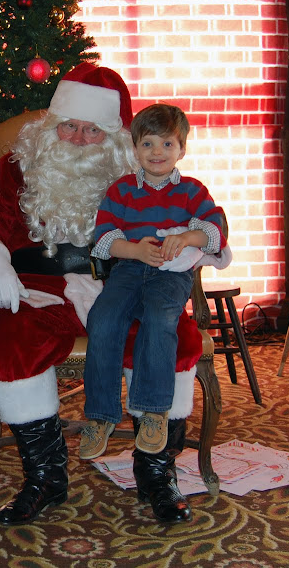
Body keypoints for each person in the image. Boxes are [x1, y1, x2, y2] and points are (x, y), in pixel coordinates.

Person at [0, 63, 218, 526]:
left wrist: (184, 245)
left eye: (92, 130)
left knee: (174, 338)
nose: (77, 139)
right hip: (38, 289)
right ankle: (45, 477)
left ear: (115, 138)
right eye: (68, 126)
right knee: (8, 339)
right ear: (52, 125)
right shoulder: (17, 168)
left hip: (125, 282)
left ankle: (156, 472)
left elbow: (196, 221)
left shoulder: (141, 175)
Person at [81, 103, 226, 523]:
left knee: (161, 321)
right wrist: (133, 249)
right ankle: (101, 415)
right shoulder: (122, 190)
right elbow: (103, 238)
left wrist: (188, 237)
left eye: (167, 144)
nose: (157, 152)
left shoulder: (192, 190)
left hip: (169, 275)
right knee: (103, 319)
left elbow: (216, 231)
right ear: (135, 148)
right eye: (148, 144)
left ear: (181, 149)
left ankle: (153, 413)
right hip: (129, 269)